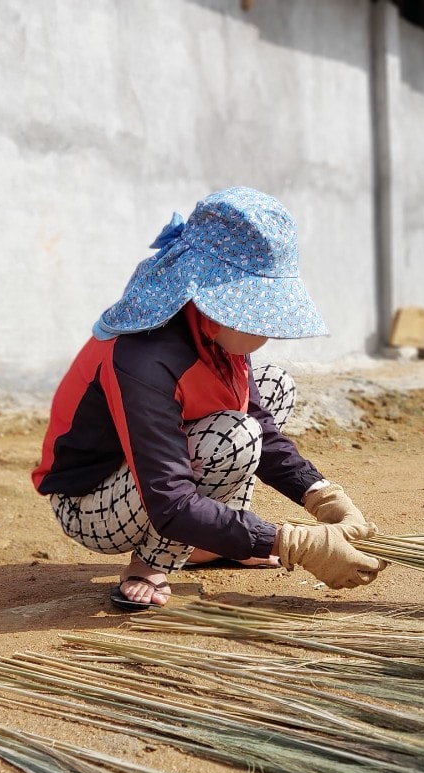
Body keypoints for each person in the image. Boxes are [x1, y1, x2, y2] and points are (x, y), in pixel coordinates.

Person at [32, 186, 384, 611]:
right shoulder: (144, 358)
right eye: (262, 314)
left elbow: (260, 422)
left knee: (272, 390)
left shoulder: (213, 337)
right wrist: (293, 544)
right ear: (219, 307)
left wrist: (322, 496)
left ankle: (213, 543)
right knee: (234, 438)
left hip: (153, 476)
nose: (269, 329)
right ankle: (150, 562)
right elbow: (171, 501)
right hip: (93, 505)